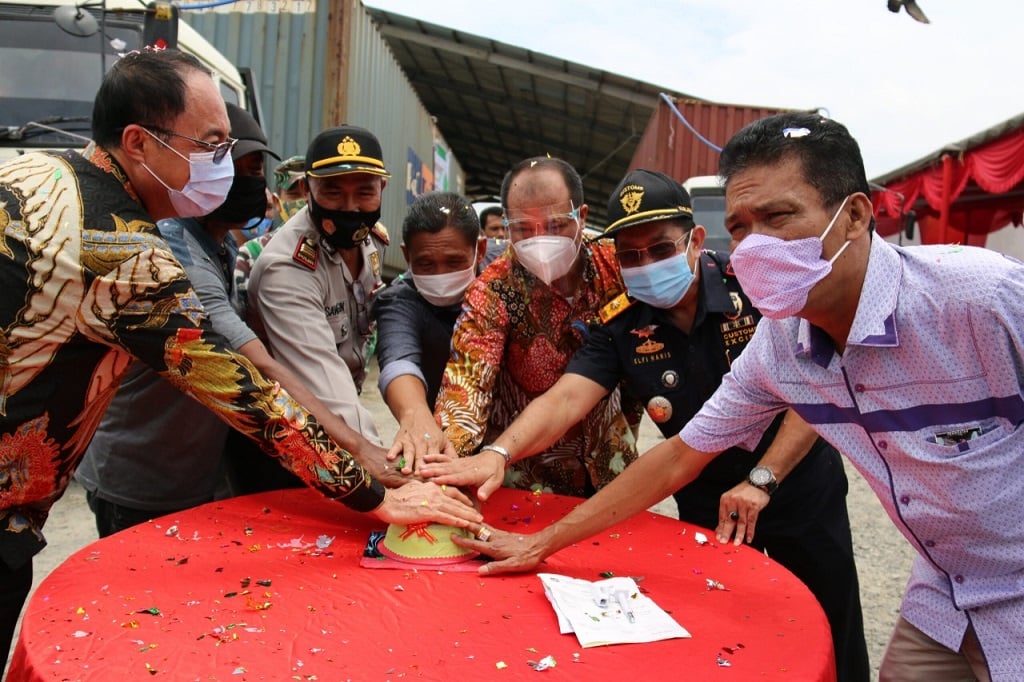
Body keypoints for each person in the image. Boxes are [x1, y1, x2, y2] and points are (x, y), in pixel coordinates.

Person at [447, 112, 1022, 681]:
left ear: (854, 215)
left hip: (832, 512)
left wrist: (764, 478)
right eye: (743, 225)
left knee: (833, 630)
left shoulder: (980, 299)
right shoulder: (779, 337)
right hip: (942, 593)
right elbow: (673, 452)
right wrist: (534, 525)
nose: (758, 246)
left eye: (778, 216)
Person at [0, 49, 479, 670]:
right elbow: (242, 389)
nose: (226, 167)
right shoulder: (121, 251)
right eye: (212, 145)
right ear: (138, 144)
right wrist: (372, 495)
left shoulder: (36, 175)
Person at [423, 169, 869, 680]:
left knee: (829, 626)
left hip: (796, 487)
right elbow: (566, 399)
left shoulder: (756, 292)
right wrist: (496, 454)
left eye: (658, 249)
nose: (644, 266)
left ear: (695, 240)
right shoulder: (622, 324)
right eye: (630, 256)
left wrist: (763, 478)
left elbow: (814, 388)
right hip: (704, 499)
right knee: (721, 634)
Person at [433, 156, 642, 496]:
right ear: (506, 225)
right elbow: (465, 385)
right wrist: (446, 463)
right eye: (524, 229)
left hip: (610, 468)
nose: (540, 241)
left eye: (556, 225)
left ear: (582, 216)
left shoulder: (617, 266)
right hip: (524, 480)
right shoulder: (494, 290)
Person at [248, 125, 390, 450]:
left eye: (365, 192)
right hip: (294, 440)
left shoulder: (374, 242)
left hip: (342, 421)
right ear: (307, 188)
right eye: (333, 191)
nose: (350, 207)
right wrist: (380, 460)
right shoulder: (288, 268)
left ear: (382, 189)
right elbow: (325, 390)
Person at [371, 191, 489, 470]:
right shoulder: (398, 300)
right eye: (425, 264)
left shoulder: (502, 284)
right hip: (439, 439)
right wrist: (414, 416)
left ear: (480, 250)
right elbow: (398, 361)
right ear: (406, 255)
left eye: (454, 262)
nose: (440, 275)